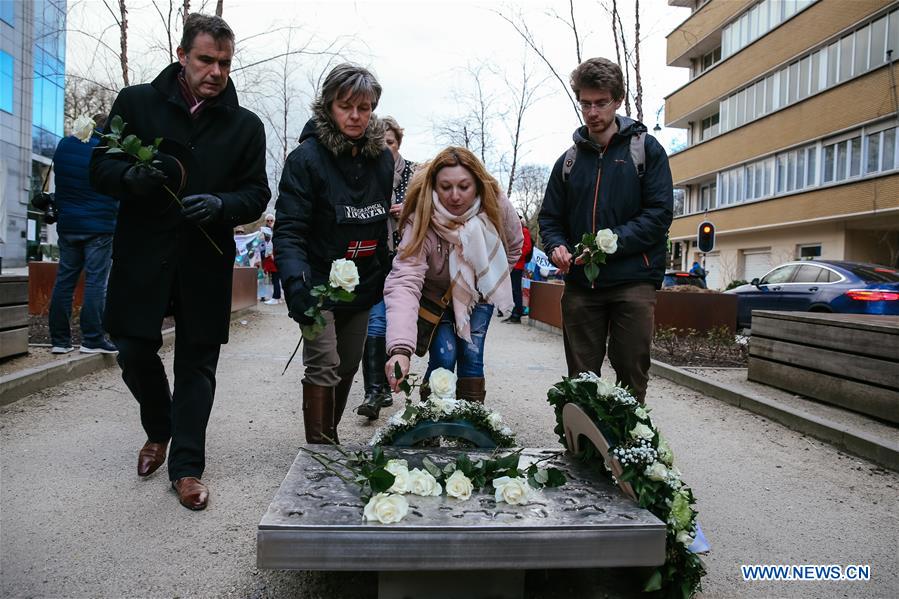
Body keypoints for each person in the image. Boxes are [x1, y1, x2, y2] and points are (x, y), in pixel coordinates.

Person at [90, 13, 270, 510]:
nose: (215, 71)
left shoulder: (245, 126)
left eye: (225, 63)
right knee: (131, 348)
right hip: (143, 255)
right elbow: (100, 167)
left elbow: (256, 192)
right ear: (182, 55)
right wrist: (132, 179)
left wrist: (222, 206)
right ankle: (159, 427)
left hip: (203, 261)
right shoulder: (136, 103)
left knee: (198, 363)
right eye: (206, 60)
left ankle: (186, 466)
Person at [538, 57, 673, 404]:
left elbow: (659, 216)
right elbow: (550, 218)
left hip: (634, 281)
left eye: (601, 103)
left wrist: (605, 246)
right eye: (585, 103)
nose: (592, 111)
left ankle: (628, 448)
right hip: (582, 286)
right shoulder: (568, 161)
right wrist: (556, 246)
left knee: (631, 373)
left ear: (618, 100)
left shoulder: (646, 150)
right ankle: (583, 450)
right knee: (581, 380)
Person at [274, 63, 393, 445]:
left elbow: (380, 223)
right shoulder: (305, 159)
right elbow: (289, 229)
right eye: (346, 106)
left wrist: (385, 271)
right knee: (324, 363)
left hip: (363, 284)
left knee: (348, 365)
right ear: (328, 106)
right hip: (318, 285)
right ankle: (321, 451)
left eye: (365, 107)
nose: (356, 116)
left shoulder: (383, 160)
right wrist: (297, 285)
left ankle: (331, 433)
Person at [384, 147, 523, 403]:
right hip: (435, 298)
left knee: (471, 355)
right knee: (444, 355)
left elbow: (514, 246)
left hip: (478, 296)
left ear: (477, 184)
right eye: (446, 187)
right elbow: (405, 279)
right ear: (434, 186)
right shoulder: (422, 217)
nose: (455, 196)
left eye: (464, 186)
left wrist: (487, 278)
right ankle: (433, 420)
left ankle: (471, 422)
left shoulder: (496, 204)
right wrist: (401, 349)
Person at [356, 116, 416, 420]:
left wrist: (409, 210)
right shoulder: (366, 173)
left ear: (398, 144)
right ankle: (374, 392)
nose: (384, 149)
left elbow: (434, 207)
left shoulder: (416, 174)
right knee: (375, 322)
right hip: (375, 258)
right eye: (379, 143)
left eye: (389, 143)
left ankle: (394, 382)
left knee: (399, 325)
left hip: (408, 259)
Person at [47, 113, 119, 355]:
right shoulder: (107, 149)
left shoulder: (64, 145)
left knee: (64, 281)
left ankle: (59, 340)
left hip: (68, 225)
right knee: (96, 282)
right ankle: (92, 339)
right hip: (99, 226)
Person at [504, 215, 532, 324]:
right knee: (512, 290)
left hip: (518, 264)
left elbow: (527, 247)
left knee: (516, 290)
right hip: (512, 264)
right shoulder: (514, 231)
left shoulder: (524, 231)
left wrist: (515, 256)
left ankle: (517, 314)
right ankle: (514, 313)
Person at [261, 217, 281, 304]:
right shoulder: (265, 232)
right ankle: (277, 297)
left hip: (274, 257)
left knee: (275, 278)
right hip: (270, 257)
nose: (269, 222)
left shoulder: (277, 232)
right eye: (268, 220)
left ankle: (276, 297)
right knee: (275, 278)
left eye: (271, 220)